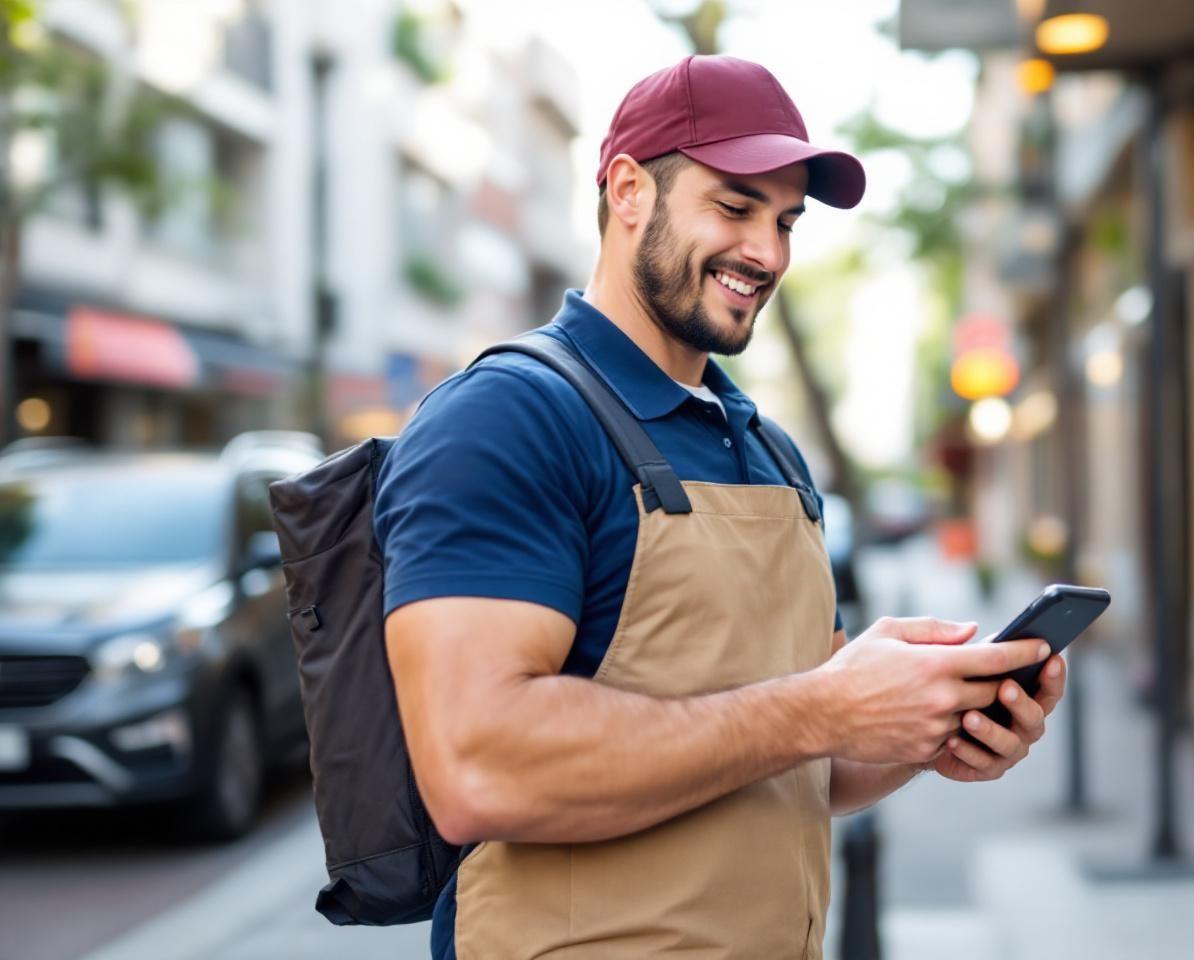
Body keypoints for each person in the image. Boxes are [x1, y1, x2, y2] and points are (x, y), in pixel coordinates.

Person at [376, 55, 1068, 960]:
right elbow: (477, 766)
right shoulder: (509, 417)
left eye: (787, 221)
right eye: (735, 206)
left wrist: (924, 723)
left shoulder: (768, 450)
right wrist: (824, 707)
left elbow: (802, 764)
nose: (769, 253)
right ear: (628, 190)